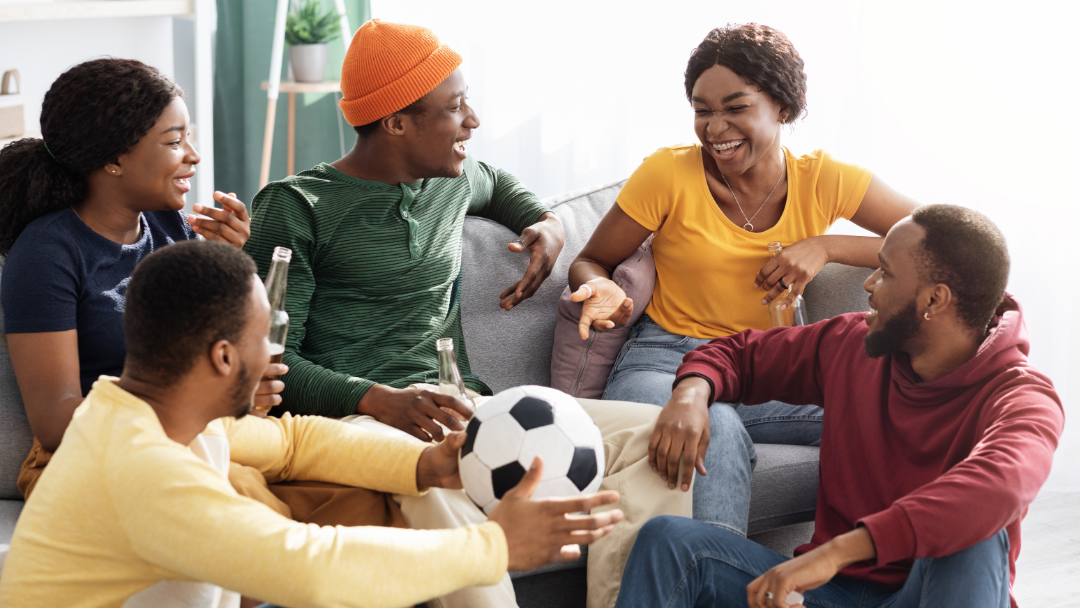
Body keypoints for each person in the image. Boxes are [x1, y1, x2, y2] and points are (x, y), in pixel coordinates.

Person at [242, 19, 690, 608]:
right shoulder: (295, 207)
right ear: (397, 122)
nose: (473, 122)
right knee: (446, 486)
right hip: (358, 422)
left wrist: (546, 224)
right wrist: (378, 399)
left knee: (655, 436)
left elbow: (499, 184)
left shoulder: (450, 180)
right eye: (455, 109)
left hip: (464, 402)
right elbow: (272, 370)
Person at [0, 240, 624, 608]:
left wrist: (421, 464)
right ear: (222, 358)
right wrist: (494, 545)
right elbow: (311, 566)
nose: (276, 356)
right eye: (263, 337)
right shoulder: (142, 469)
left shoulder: (153, 411)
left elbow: (294, 440)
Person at [614, 205, 1063, 608]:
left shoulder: (1023, 398)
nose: (869, 284)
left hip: (927, 594)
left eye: (884, 273)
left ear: (933, 300)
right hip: (830, 597)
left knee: (974, 538)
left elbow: (995, 489)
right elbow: (738, 354)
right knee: (669, 541)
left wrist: (838, 552)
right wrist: (692, 393)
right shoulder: (852, 342)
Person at [566, 23, 917, 534]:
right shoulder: (667, 173)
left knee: (895, 415)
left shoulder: (825, 179)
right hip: (666, 362)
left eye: (735, 108)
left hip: (766, 369)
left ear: (783, 107)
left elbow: (939, 238)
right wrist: (603, 286)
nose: (714, 128)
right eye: (702, 110)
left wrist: (826, 245)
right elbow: (590, 259)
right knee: (716, 427)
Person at [0, 58, 268, 498]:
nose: (193, 156)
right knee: (256, 502)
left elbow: (203, 354)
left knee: (337, 486)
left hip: (185, 437)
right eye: (175, 141)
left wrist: (227, 271)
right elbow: (54, 421)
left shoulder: (169, 227)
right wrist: (192, 407)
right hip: (85, 458)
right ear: (114, 159)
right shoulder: (47, 253)